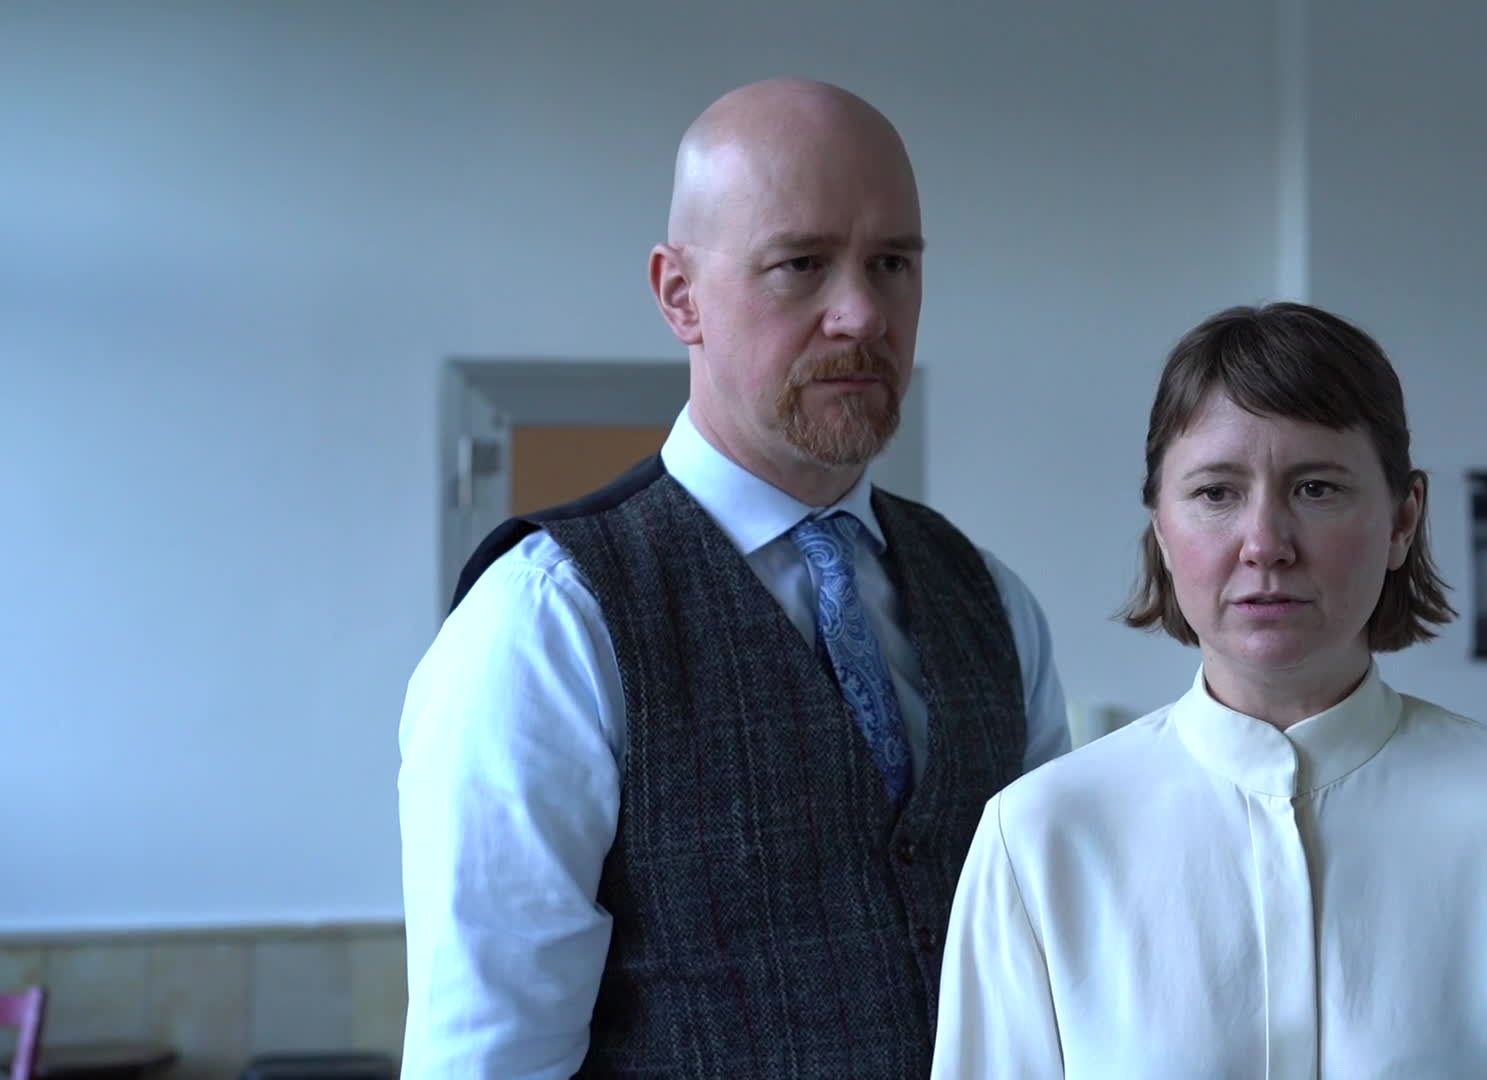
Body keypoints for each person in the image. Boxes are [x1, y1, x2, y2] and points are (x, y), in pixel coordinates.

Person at [397, 78, 1070, 1078]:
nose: (862, 315)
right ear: (680, 295)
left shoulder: (993, 604)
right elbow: (492, 1054)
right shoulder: (547, 625)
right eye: (801, 265)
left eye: (892, 264)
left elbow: (1051, 983)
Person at [932, 302, 1487, 1078]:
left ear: (1403, 520)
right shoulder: (1040, 836)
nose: (1265, 545)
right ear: (1160, 528)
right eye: (1216, 492)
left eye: (1315, 488)